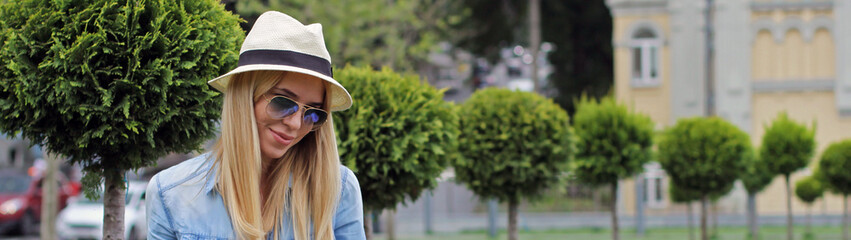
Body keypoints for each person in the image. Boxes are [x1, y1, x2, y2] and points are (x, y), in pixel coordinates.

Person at [146, 11, 365, 240]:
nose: (295, 123)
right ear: (245, 97)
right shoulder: (171, 193)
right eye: (283, 102)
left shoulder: (338, 189)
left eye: (313, 113)